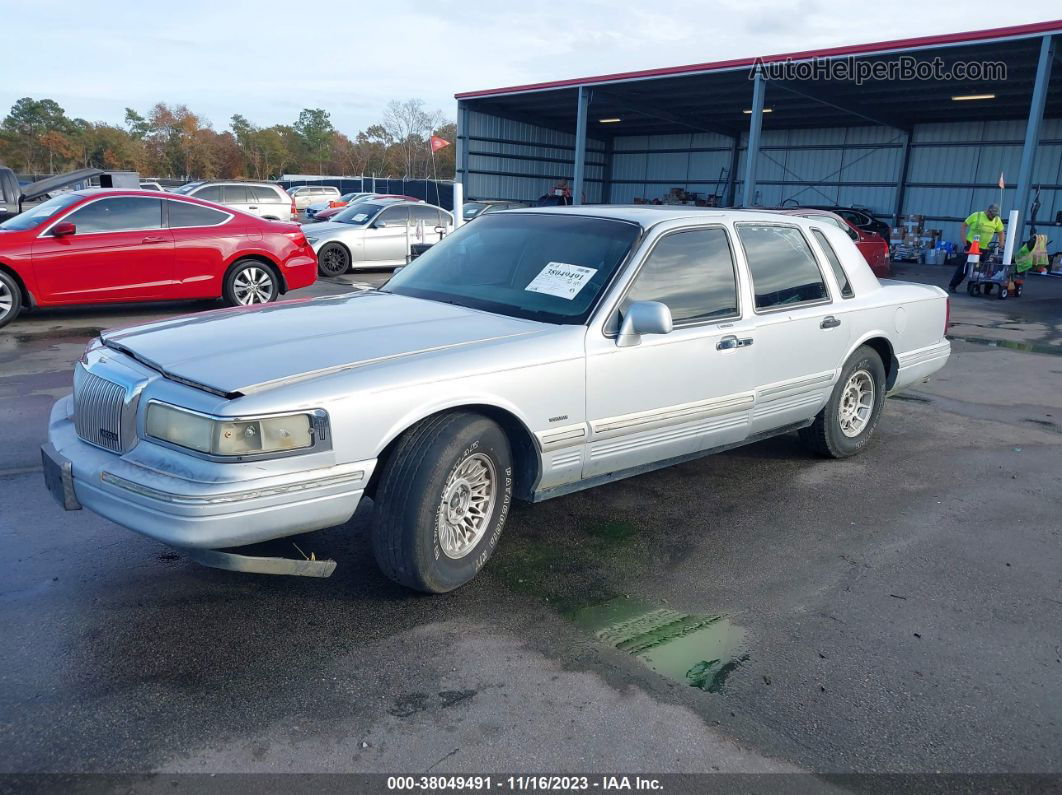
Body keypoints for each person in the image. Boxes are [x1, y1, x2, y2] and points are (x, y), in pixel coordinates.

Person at [949, 203, 1006, 292]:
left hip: (985, 248)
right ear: (988, 211)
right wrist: (964, 239)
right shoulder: (977, 215)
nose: (993, 217)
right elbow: (964, 225)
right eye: (992, 215)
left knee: (985, 268)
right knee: (965, 266)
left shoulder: (996, 220)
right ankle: (953, 286)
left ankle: (985, 288)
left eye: (995, 215)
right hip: (971, 245)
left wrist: (1001, 242)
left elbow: (1001, 232)